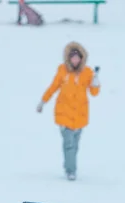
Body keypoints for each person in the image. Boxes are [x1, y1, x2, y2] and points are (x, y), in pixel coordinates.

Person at [37, 41, 101, 181]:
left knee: (75, 145)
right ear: (68, 58)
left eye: (78, 58)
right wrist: (43, 101)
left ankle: (69, 166)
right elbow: (53, 87)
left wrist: (95, 81)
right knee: (69, 144)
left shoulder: (87, 72)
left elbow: (94, 92)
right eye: (73, 58)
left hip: (80, 115)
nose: (75, 60)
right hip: (64, 114)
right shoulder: (62, 71)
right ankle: (70, 171)